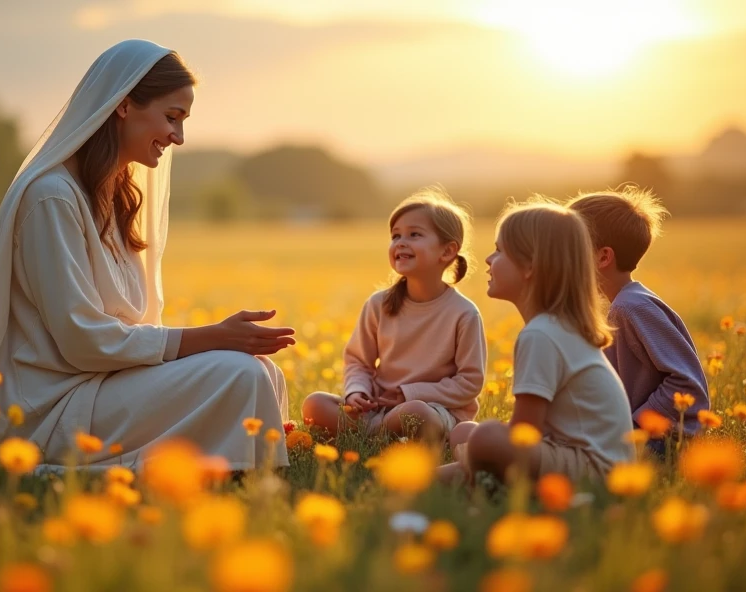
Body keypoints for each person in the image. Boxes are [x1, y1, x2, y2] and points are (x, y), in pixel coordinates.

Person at [0, 40, 295, 470]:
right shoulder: (51, 199)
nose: (178, 137)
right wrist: (210, 336)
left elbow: (128, 329)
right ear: (124, 106)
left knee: (262, 374)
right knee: (242, 374)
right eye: (172, 118)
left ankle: (232, 473)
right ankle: (229, 472)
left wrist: (214, 345)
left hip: (106, 387)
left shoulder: (114, 197)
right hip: (55, 408)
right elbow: (82, 340)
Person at [442, 201, 634, 485]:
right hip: (596, 464)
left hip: (592, 473)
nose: (488, 259)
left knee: (484, 437)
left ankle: (475, 478)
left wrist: (480, 452)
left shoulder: (540, 335)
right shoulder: (557, 327)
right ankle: (471, 472)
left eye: (499, 251)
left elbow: (525, 434)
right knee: (464, 432)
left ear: (530, 265)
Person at [302, 189, 486, 441]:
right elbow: (358, 362)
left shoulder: (463, 313)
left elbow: (469, 383)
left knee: (415, 412)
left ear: (447, 251)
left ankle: (371, 436)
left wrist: (409, 394)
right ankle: (381, 435)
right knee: (315, 404)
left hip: (435, 411)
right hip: (378, 410)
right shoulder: (378, 304)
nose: (400, 242)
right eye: (395, 235)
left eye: (414, 234)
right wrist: (357, 392)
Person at [567, 189, 710, 454]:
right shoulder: (624, 304)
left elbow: (686, 383)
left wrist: (632, 428)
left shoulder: (632, 307)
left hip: (660, 443)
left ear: (603, 257)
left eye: (569, 247)